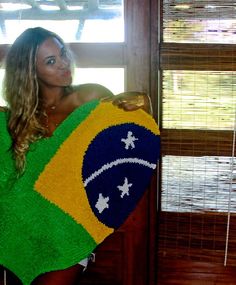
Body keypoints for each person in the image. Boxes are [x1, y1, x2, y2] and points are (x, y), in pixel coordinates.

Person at [0, 27, 153, 285]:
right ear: (30, 71)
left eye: (62, 53)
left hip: (69, 229)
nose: (64, 64)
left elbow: (121, 137)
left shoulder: (89, 96)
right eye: (51, 61)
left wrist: (141, 103)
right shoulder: (17, 118)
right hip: (21, 228)